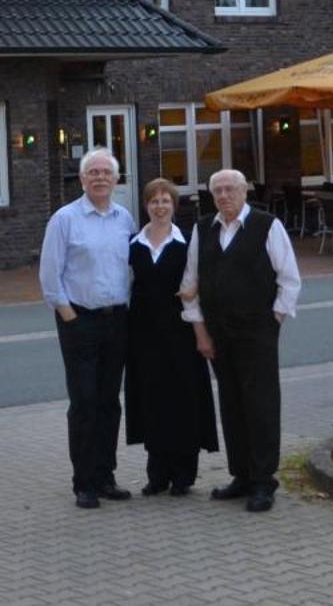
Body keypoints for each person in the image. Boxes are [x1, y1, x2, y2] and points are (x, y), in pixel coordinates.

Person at [179, 168, 301, 512]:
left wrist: (273, 321)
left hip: (257, 331)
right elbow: (190, 284)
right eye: (217, 190)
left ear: (244, 192)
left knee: (261, 404)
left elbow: (289, 279)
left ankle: (264, 480)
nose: (223, 196)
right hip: (219, 333)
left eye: (230, 189)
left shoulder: (266, 225)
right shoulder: (203, 229)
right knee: (231, 404)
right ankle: (242, 475)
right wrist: (200, 330)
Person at [39, 147, 135, 509]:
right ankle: (84, 482)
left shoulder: (124, 219)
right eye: (92, 172)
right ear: (82, 179)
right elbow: (50, 275)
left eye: (105, 172)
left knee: (110, 402)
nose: (99, 177)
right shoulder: (64, 220)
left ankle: (105, 474)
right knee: (84, 403)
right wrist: (69, 317)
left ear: (115, 179)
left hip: (116, 321)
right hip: (80, 321)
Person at [125, 177, 218, 496]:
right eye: (154, 201)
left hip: (180, 333)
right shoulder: (133, 244)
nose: (160, 206)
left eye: (166, 201)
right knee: (152, 400)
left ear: (174, 206)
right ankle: (157, 473)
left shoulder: (188, 242)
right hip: (144, 334)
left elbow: (202, 282)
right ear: (146, 206)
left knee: (182, 401)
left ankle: (183, 474)